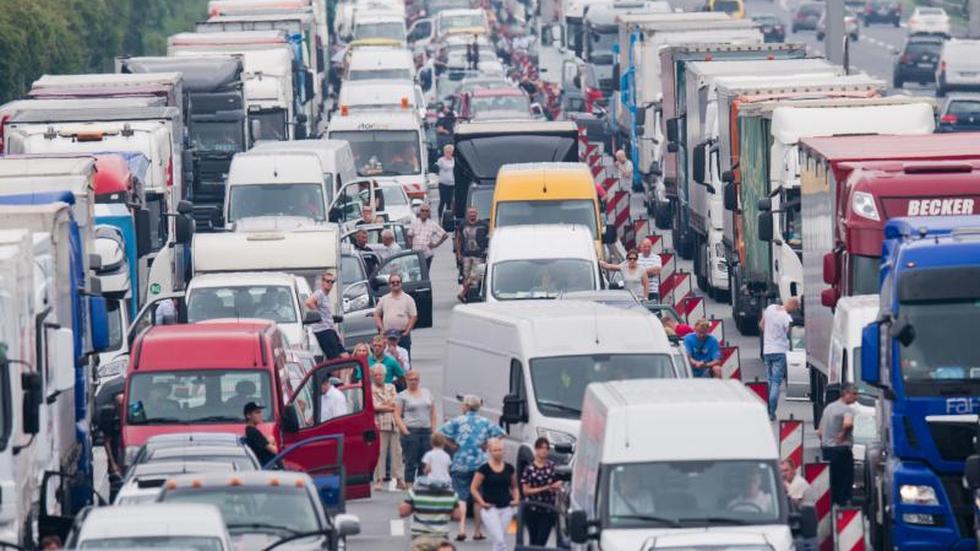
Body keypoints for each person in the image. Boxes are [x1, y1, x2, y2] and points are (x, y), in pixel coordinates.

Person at [439, 394, 504, 541]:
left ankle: (461, 528)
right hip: (479, 464)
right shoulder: (485, 421)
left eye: (463, 404)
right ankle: (477, 531)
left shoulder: (457, 421)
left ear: (467, 406)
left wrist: (452, 445)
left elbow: (441, 433)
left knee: (461, 497)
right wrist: (486, 444)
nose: (462, 406)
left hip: (460, 462)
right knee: (478, 497)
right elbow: (501, 434)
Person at [470, 438, 519, 551]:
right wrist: (482, 503)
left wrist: (516, 499)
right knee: (500, 539)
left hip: (506, 507)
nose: (498, 452)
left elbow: (514, 486)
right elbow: (473, 488)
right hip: (490, 508)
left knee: (499, 540)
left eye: (500, 450)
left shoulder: (509, 468)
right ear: (490, 451)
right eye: (495, 450)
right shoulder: (484, 469)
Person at [760, 297, 799, 420]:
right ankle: (771, 411)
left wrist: (768, 336)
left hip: (767, 350)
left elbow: (761, 324)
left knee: (770, 380)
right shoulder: (786, 318)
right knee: (776, 381)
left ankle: (768, 408)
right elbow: (789, 334)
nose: (794, 311)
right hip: (780, 351)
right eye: (795, 308)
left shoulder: (770, 308)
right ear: (792, 305)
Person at [818, 383, 858, 506]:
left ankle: (831, 505)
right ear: (846, 394)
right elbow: (848, 424)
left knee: (832, 480)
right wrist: (843, 434)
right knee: (844, 481)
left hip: (827, 449)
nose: (856, 397)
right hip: (841, 450)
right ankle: (844, 507)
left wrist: (825, 440)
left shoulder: (829, 408)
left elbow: (819, 431)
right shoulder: (846, 409)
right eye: (854, 394)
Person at [395, 371, 437, 484]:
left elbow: (433, 412)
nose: (414, 382)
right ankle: (409, 486)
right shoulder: (402, 395)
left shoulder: (427, 392)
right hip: (411, 430)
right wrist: (404, 430)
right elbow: (397, 415)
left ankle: (422, 485)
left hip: (426, 431)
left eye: (416, 379)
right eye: (411, 379)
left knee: (424, 461)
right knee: (410, 461)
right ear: (407, 380)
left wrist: (433, 429)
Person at [399, 477, 462, 551]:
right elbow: (457, 516)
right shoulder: (451, 493)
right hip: (441, 538)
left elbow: (403, 512)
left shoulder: (416, 491)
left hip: (421, 538)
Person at [521, 437, 562, 546]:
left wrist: (558, 484)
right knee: (533, 540)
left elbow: (560, 482)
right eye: (541, 448)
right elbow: (525, 490)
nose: (544, 450)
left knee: (541, 540)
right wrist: (545, 488)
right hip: (532, 509)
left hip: (548, 509)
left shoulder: (552, 466)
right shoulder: (529, 469)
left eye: (546, 448)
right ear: (536, 449)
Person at [371, 364, 404, 491]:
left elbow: (396, 402)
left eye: (381, 375)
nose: (378, 377)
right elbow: (375, 407)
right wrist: (388, 405)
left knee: (397, 452)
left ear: (385, 376)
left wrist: (385, 405)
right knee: (380, 452)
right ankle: (379, 479)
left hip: (393, 422)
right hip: (380, 423)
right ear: (373, 376)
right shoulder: (371, 389)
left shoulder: (391, 386)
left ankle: (399, 479)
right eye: (376, 375)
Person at [374, 273, 419, 355]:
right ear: (389, 284)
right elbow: (376, 314)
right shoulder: (384, 299)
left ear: (401, 283)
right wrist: (382, 329)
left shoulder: (408, 299)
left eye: (397, 282)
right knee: (387, 360)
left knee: (404, 360)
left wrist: (407, 331)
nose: (395, 284)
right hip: (387, 335)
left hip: (402, 335)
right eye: (393, 282)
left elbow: (414, 316)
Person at [305, 272, 344, 359]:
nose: (330, 283)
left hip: (330, 329)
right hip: (323, 330)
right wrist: (319, 316)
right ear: (322, 282)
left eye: (332, 282)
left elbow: (328, 316)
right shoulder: (320, 293)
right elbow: (308, 302)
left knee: (343, 355)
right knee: (335, 358)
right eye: (327, 281)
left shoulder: (326, 296)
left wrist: (336, 332)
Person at [454, 206, 489, 302]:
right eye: (470, 213)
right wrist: (458, 254)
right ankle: (468, 295)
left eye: (474, 212)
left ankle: (463, 293)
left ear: (477, 213)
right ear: (467, 214)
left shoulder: (484, 225)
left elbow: (489, 237)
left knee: (475, 275)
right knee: (466, 276)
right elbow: (458, 239)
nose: (472, 214)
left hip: (479, 255)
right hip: (466, 255)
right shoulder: (463, 225)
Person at [408, 203, 449, 269]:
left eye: (426, 211)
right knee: (416, 273)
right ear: (419, 212)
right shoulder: (414, 223)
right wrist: (411, 246)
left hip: (427, 254)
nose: (424, 213)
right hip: (416, 253)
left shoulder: (432, 224)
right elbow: (409, 235)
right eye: (422, 210)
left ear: (429, 213)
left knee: (425, 273)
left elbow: (445, 235)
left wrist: (436, 244)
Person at [243, 402, 277, 466]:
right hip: (267, 467)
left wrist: (271, 440)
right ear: (248, 415)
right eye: (257, 412)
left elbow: (263, 442)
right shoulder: (253, 432)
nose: (260, 415)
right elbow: (275, 451)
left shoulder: (251, 430)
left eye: (260, 412)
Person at [436, 144, 455, 218]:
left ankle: (448, 217)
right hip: (443, 184)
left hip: (452, 184)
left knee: (449, 202)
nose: (448, 153)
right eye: (447, 152)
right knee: (442, 201)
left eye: (450, 152)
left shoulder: (454, 160)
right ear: (444, 152)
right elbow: (436, 167)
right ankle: (440, 217)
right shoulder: (441, 160)